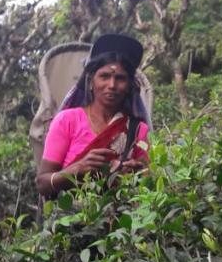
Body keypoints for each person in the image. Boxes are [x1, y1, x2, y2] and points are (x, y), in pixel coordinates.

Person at [36, 33, 150, 198]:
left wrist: (135, 174)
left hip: (121, 220)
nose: (112, 85)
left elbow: (148, 186)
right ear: (90, 81)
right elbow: (42, 183)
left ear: (128, 85)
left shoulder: (138, 130)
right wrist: (76, 169)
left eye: (120, 78)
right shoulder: (67, 120)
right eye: (104, 76)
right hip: (70, 219)